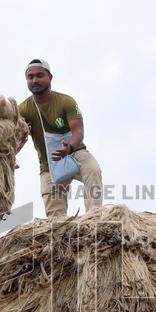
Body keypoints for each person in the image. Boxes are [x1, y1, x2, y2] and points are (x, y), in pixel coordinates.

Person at [18, 59, 104, 217]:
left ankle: (95, 217)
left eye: (39, 75)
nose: (35, 80)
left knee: (93, 169)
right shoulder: (23, 110)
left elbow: (78, 130)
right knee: (55, 221)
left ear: (50, 78)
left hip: (74, 153)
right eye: (30, 77)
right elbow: (13, 135)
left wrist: (69, 148)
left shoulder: (65, 102)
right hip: (49, 165)